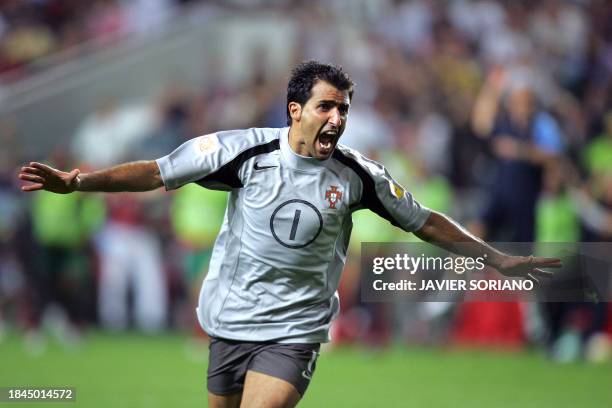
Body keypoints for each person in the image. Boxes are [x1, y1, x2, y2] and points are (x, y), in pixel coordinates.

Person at [19, 61, 560, 408]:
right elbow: (158, 171)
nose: (337, 118)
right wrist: (79, 182)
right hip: (229, 318)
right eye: (326, 106)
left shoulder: (357, 175)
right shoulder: (241, 150)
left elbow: (424, 220)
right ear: (296, 111)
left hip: (294, 327)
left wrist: (495, 258)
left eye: (344, 109)